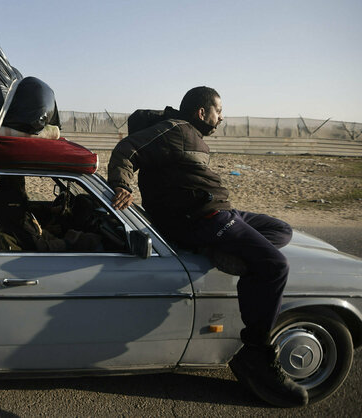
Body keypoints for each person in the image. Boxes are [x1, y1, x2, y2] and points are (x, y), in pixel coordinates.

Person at [108, 87, 308, 406]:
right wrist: (121, 184)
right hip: (203, 217)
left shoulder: (191, 136)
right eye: (218, 111)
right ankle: (257, 351)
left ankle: (221, 251)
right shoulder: (174, 129)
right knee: (275, 266)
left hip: (219, 212)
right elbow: (127, 149)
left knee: (280, 229)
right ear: (202, 112)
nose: (222, 117)